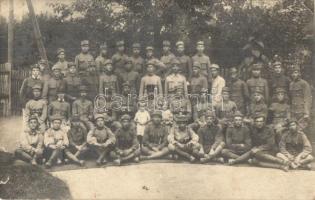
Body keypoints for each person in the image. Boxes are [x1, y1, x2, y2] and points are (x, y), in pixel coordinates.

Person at [289, 65, 312, 130]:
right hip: (293, 111)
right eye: (292, 73)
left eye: (295, 72)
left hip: (302, 111)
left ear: (299, 73)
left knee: (301, 130)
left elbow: (308, 99)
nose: (294, 74)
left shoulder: (304, 83)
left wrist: (306, 112)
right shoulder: (291, 84)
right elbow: (291, 98)